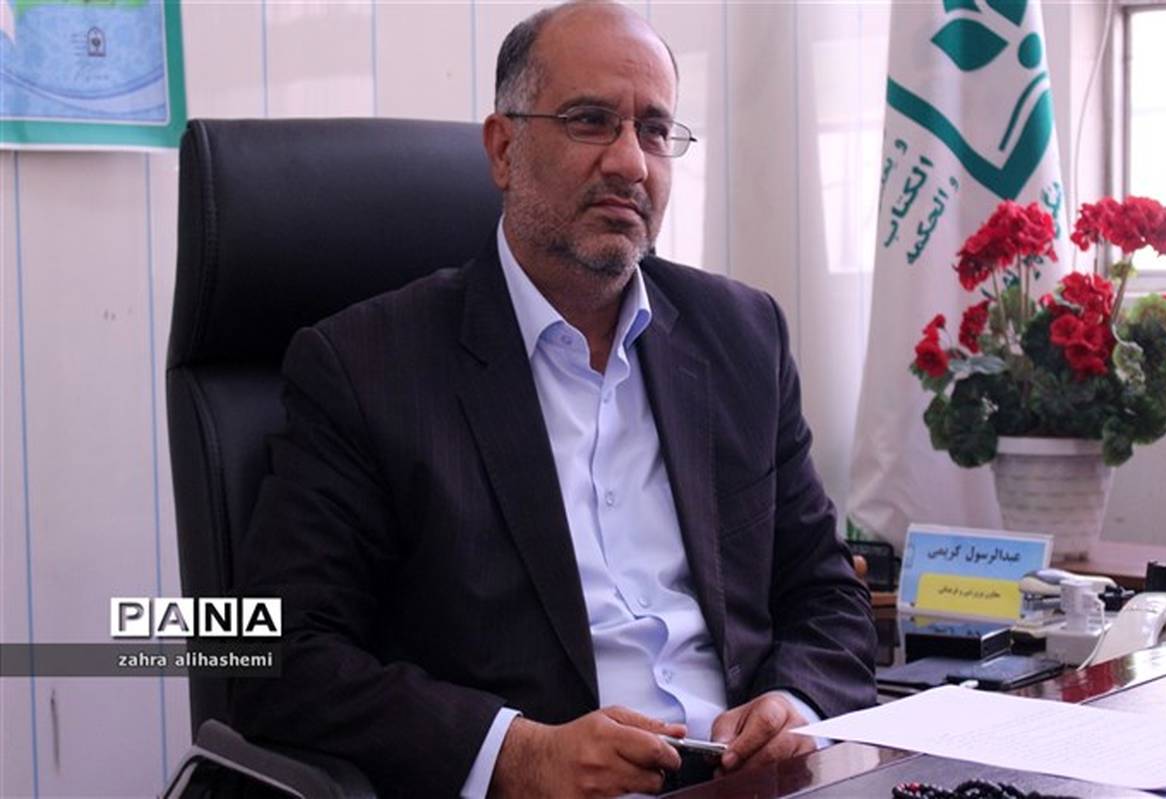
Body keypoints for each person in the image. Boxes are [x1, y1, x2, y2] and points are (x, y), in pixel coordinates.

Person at [232, 2, 876, 796]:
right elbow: (276, 653)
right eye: (590, 121)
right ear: (503, 150)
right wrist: (514, 751)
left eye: (654, 130)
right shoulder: (365, 367)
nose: (630, 163)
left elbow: (825, 589)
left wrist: (796, 702)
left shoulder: (742, 336)